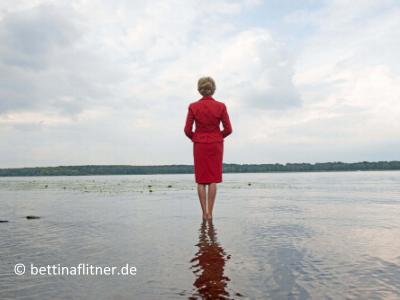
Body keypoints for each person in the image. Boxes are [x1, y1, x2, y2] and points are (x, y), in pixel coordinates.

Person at [184, 76, 232, 220]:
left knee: (201, 180)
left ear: (200, 90)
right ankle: (210, 213)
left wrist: (197, 138)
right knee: (212, 179)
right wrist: (217, 136)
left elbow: (187, 130)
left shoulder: (193, 106)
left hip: (199, 145)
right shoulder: (221, 106)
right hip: (215, 144)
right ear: (213, 89)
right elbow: (228, 129)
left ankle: (203, 212)